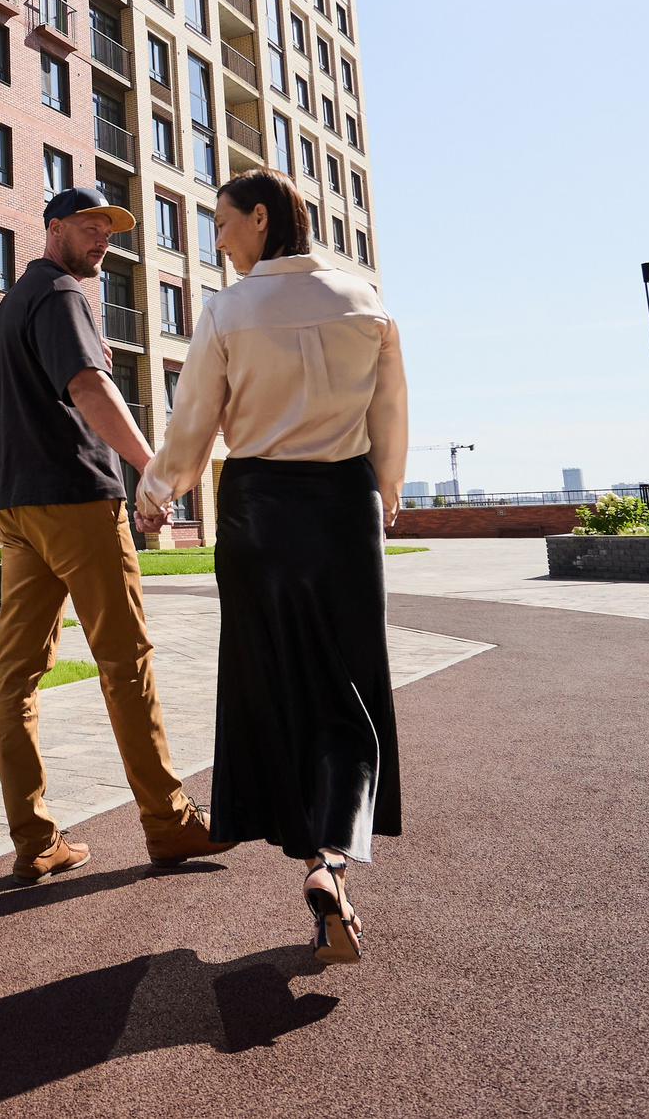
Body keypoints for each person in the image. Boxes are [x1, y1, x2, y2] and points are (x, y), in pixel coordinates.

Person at [137, 170, 408, 964]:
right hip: (343, 509)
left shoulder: (228, 310)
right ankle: (330, 861)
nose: (216, 239)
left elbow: (194, 425)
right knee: (348, 681)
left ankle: (311, 851)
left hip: (258, 511)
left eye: (223, 223)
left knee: (273, 684)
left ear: (261, 218)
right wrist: (387, 488)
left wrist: (157, 493)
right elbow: (388, 411)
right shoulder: (367, 300)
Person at [0, 186, 235, 881]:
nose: (102, 239)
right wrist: (152, 469)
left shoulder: (12, 303)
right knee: (127, 662)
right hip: (74, 504)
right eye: (90, 227)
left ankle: (35, 842)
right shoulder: (62, 295)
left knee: (16, 676)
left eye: (110, 230)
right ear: (54, 227)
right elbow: (90, 387)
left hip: (16, 508)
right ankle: (170, 823)